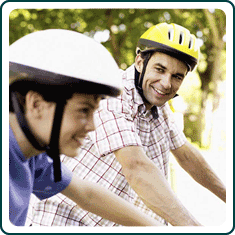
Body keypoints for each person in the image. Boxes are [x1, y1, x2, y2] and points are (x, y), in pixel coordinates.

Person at [27, 23, 226, 227]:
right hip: (66, 221)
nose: (166, 83)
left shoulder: (158, 105)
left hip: (110, 220)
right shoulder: (112, 96)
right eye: (160, 69)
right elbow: (136, 168)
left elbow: (186, 154)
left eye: (177, 76)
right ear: (140, 61)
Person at [9, 28, 164, 227]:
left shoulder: (32, 155)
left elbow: (86, 194)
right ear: (36, 104)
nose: (92, 126)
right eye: (84, 110)